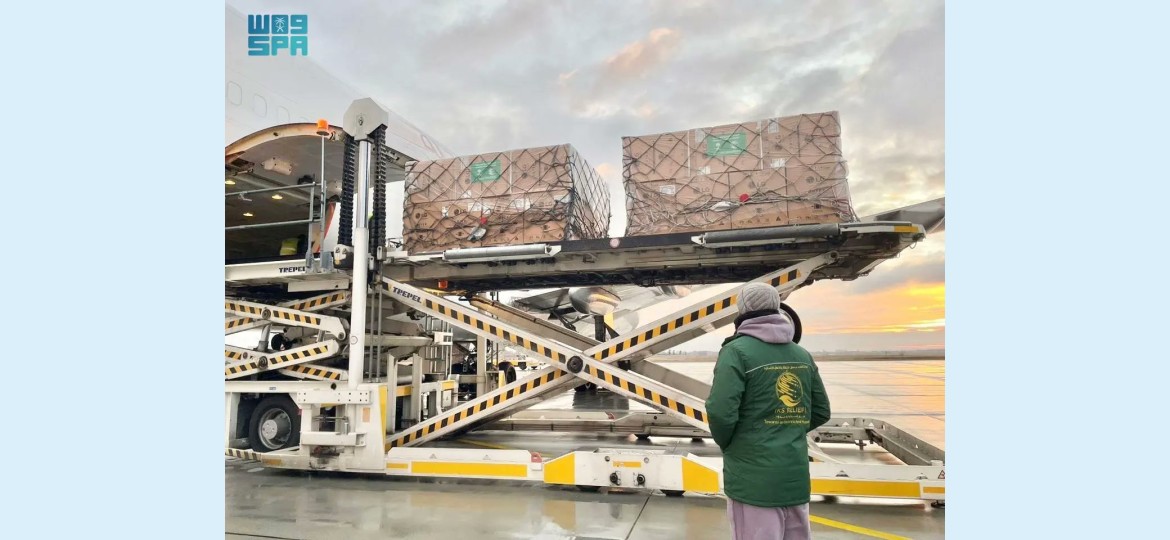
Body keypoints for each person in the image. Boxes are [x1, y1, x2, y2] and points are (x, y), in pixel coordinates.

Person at [706, 282, 831, 540]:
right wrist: (788, 429)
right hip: (794, 478)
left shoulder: (736, 352)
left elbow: (720, 412)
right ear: (777, 308)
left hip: (753, 480)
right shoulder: (802, 354)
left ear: (743, 310)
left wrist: (732, 444)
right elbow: (821, 410)